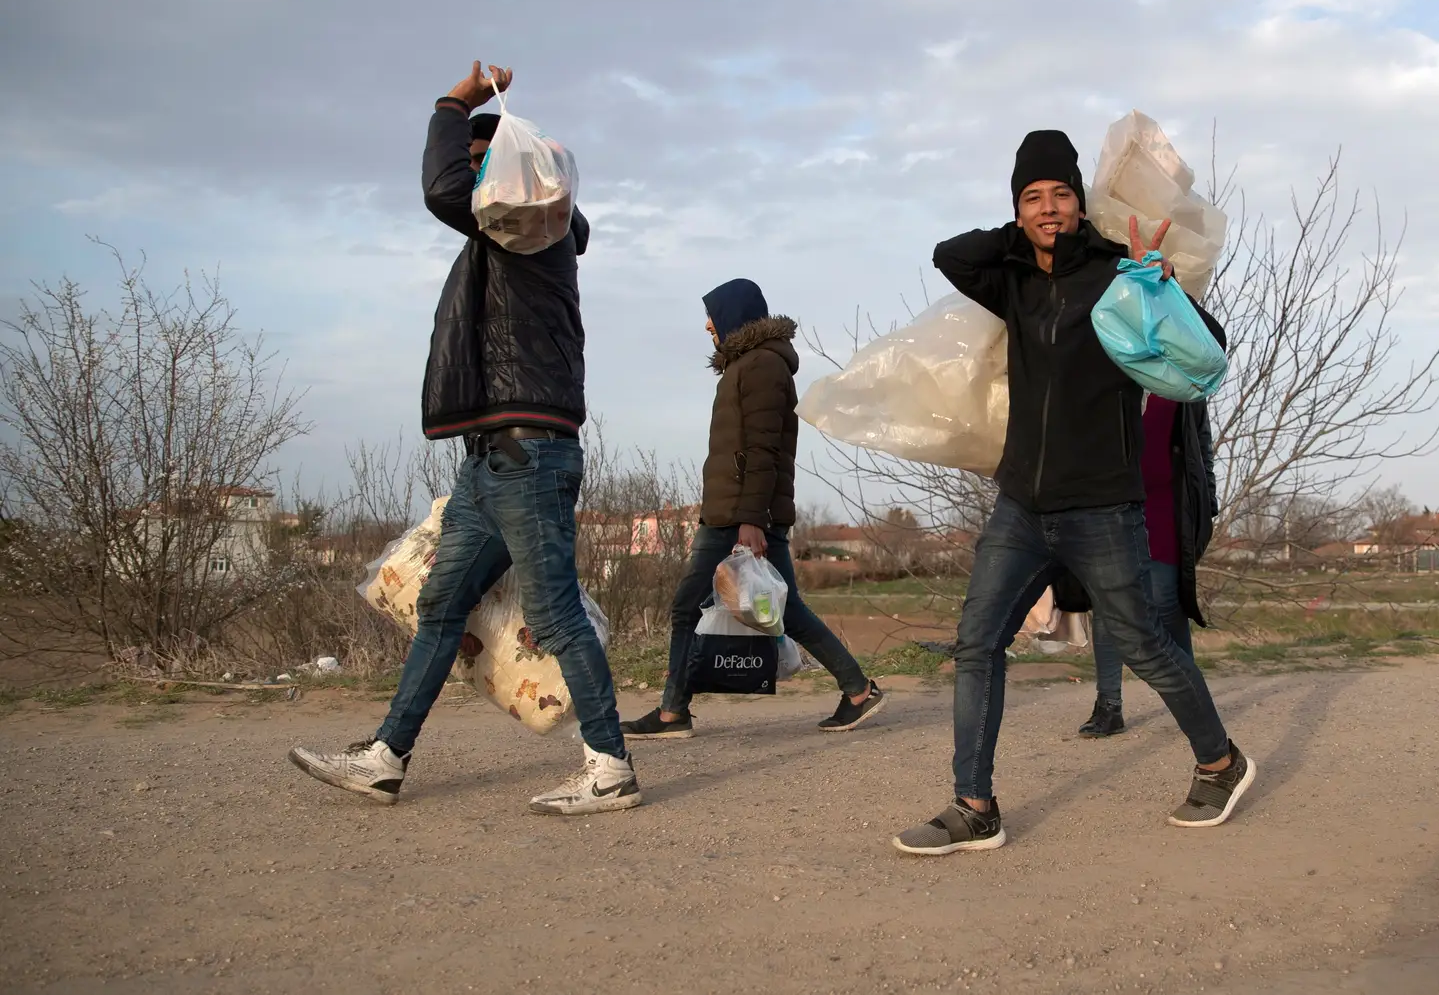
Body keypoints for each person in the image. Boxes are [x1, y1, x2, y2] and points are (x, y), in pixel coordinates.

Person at [290, 63, 641, 816]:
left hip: (530, 453)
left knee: (553, 614)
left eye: (486, 162)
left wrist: (456, 103)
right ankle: (386, 755)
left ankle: (610, 764)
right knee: (443, 603)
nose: (478, 176)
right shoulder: (507, 240)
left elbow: (442, 186)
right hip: (490, 462)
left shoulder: (529, 225)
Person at [892, 129, 1253, 856]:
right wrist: (1023, 234)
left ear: (1081, 200)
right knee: (977, 642)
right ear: (1018, 206)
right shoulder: (1014, 277)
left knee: (1147, 646)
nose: (1049, 208)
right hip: (1022, 502)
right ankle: (975, 804)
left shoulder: (1119, 270)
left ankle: (1221, 761)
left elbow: (1209, 343)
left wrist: (1162, 283)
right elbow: (950, 255)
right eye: (1033, 197)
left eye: (1061, 194)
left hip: (1102, 504)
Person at [621, 278, 885, 739]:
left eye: (713, 314)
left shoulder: (762, 365)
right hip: (739, 511)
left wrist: (750, 520)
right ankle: (859, 690)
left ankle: (672, 713)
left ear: (736, 314)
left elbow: (762, 451)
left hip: (738, 516)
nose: (707, 325)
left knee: (686, 607)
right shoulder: (750, 365)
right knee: (788, 609)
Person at [1073, 377, 1224, 738]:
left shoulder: (1181, 378)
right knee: (1108, 605)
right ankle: (1109, 706)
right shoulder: (1109, 368)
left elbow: (1200, 442)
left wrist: (1209, 499)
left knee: (1166, 603)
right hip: (1113, 504)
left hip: (1165, 508)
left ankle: (1191, 701)